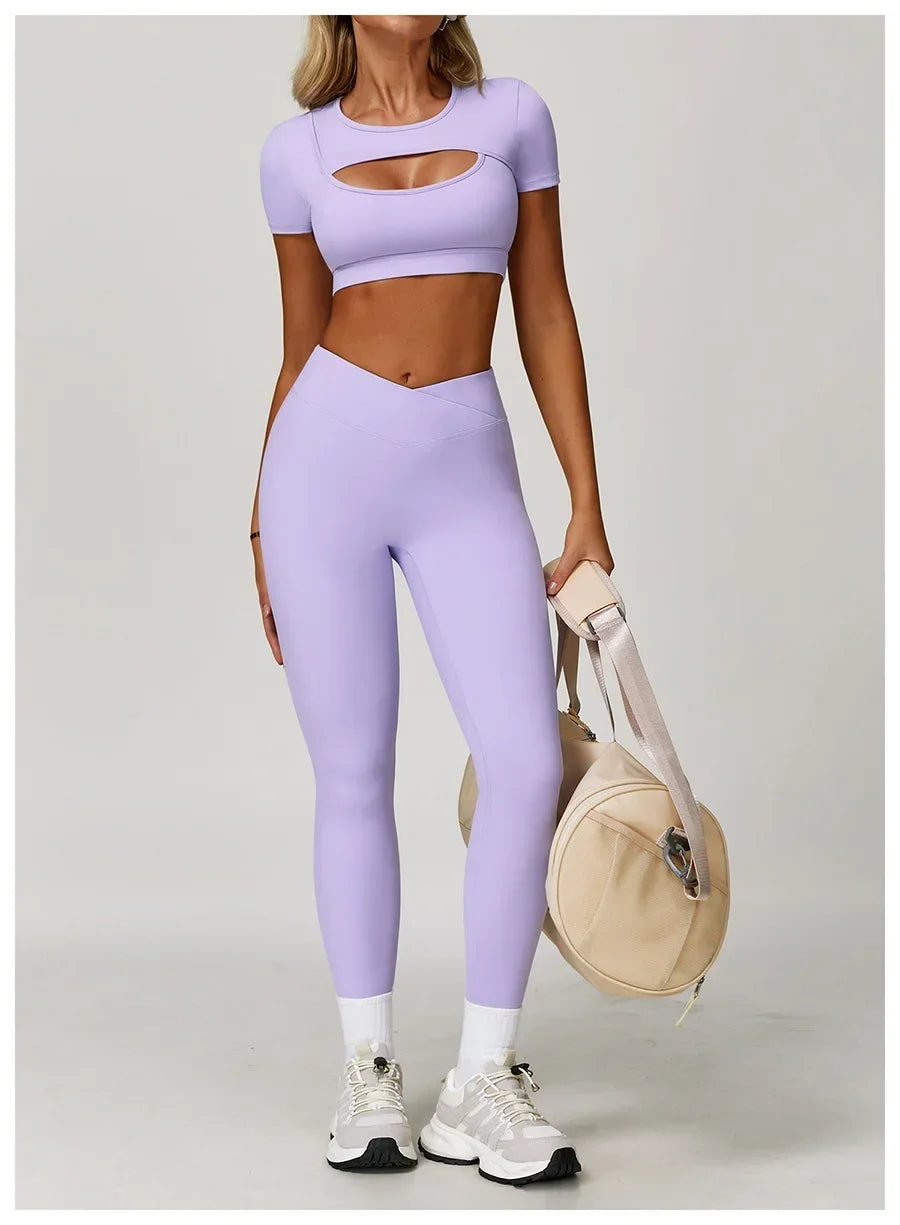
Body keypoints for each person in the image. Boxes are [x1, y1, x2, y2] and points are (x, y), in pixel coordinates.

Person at [252, 15, 613, 1186]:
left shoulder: (514, 115)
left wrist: (586, 503)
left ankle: (482, 1081)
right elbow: (298, 344)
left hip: (466, 468)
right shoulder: (296, 150)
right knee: (354, 770)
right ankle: (369, 1071)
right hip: (323, 468)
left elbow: (544, 307)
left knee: (525, 759)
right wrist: (260, 523)